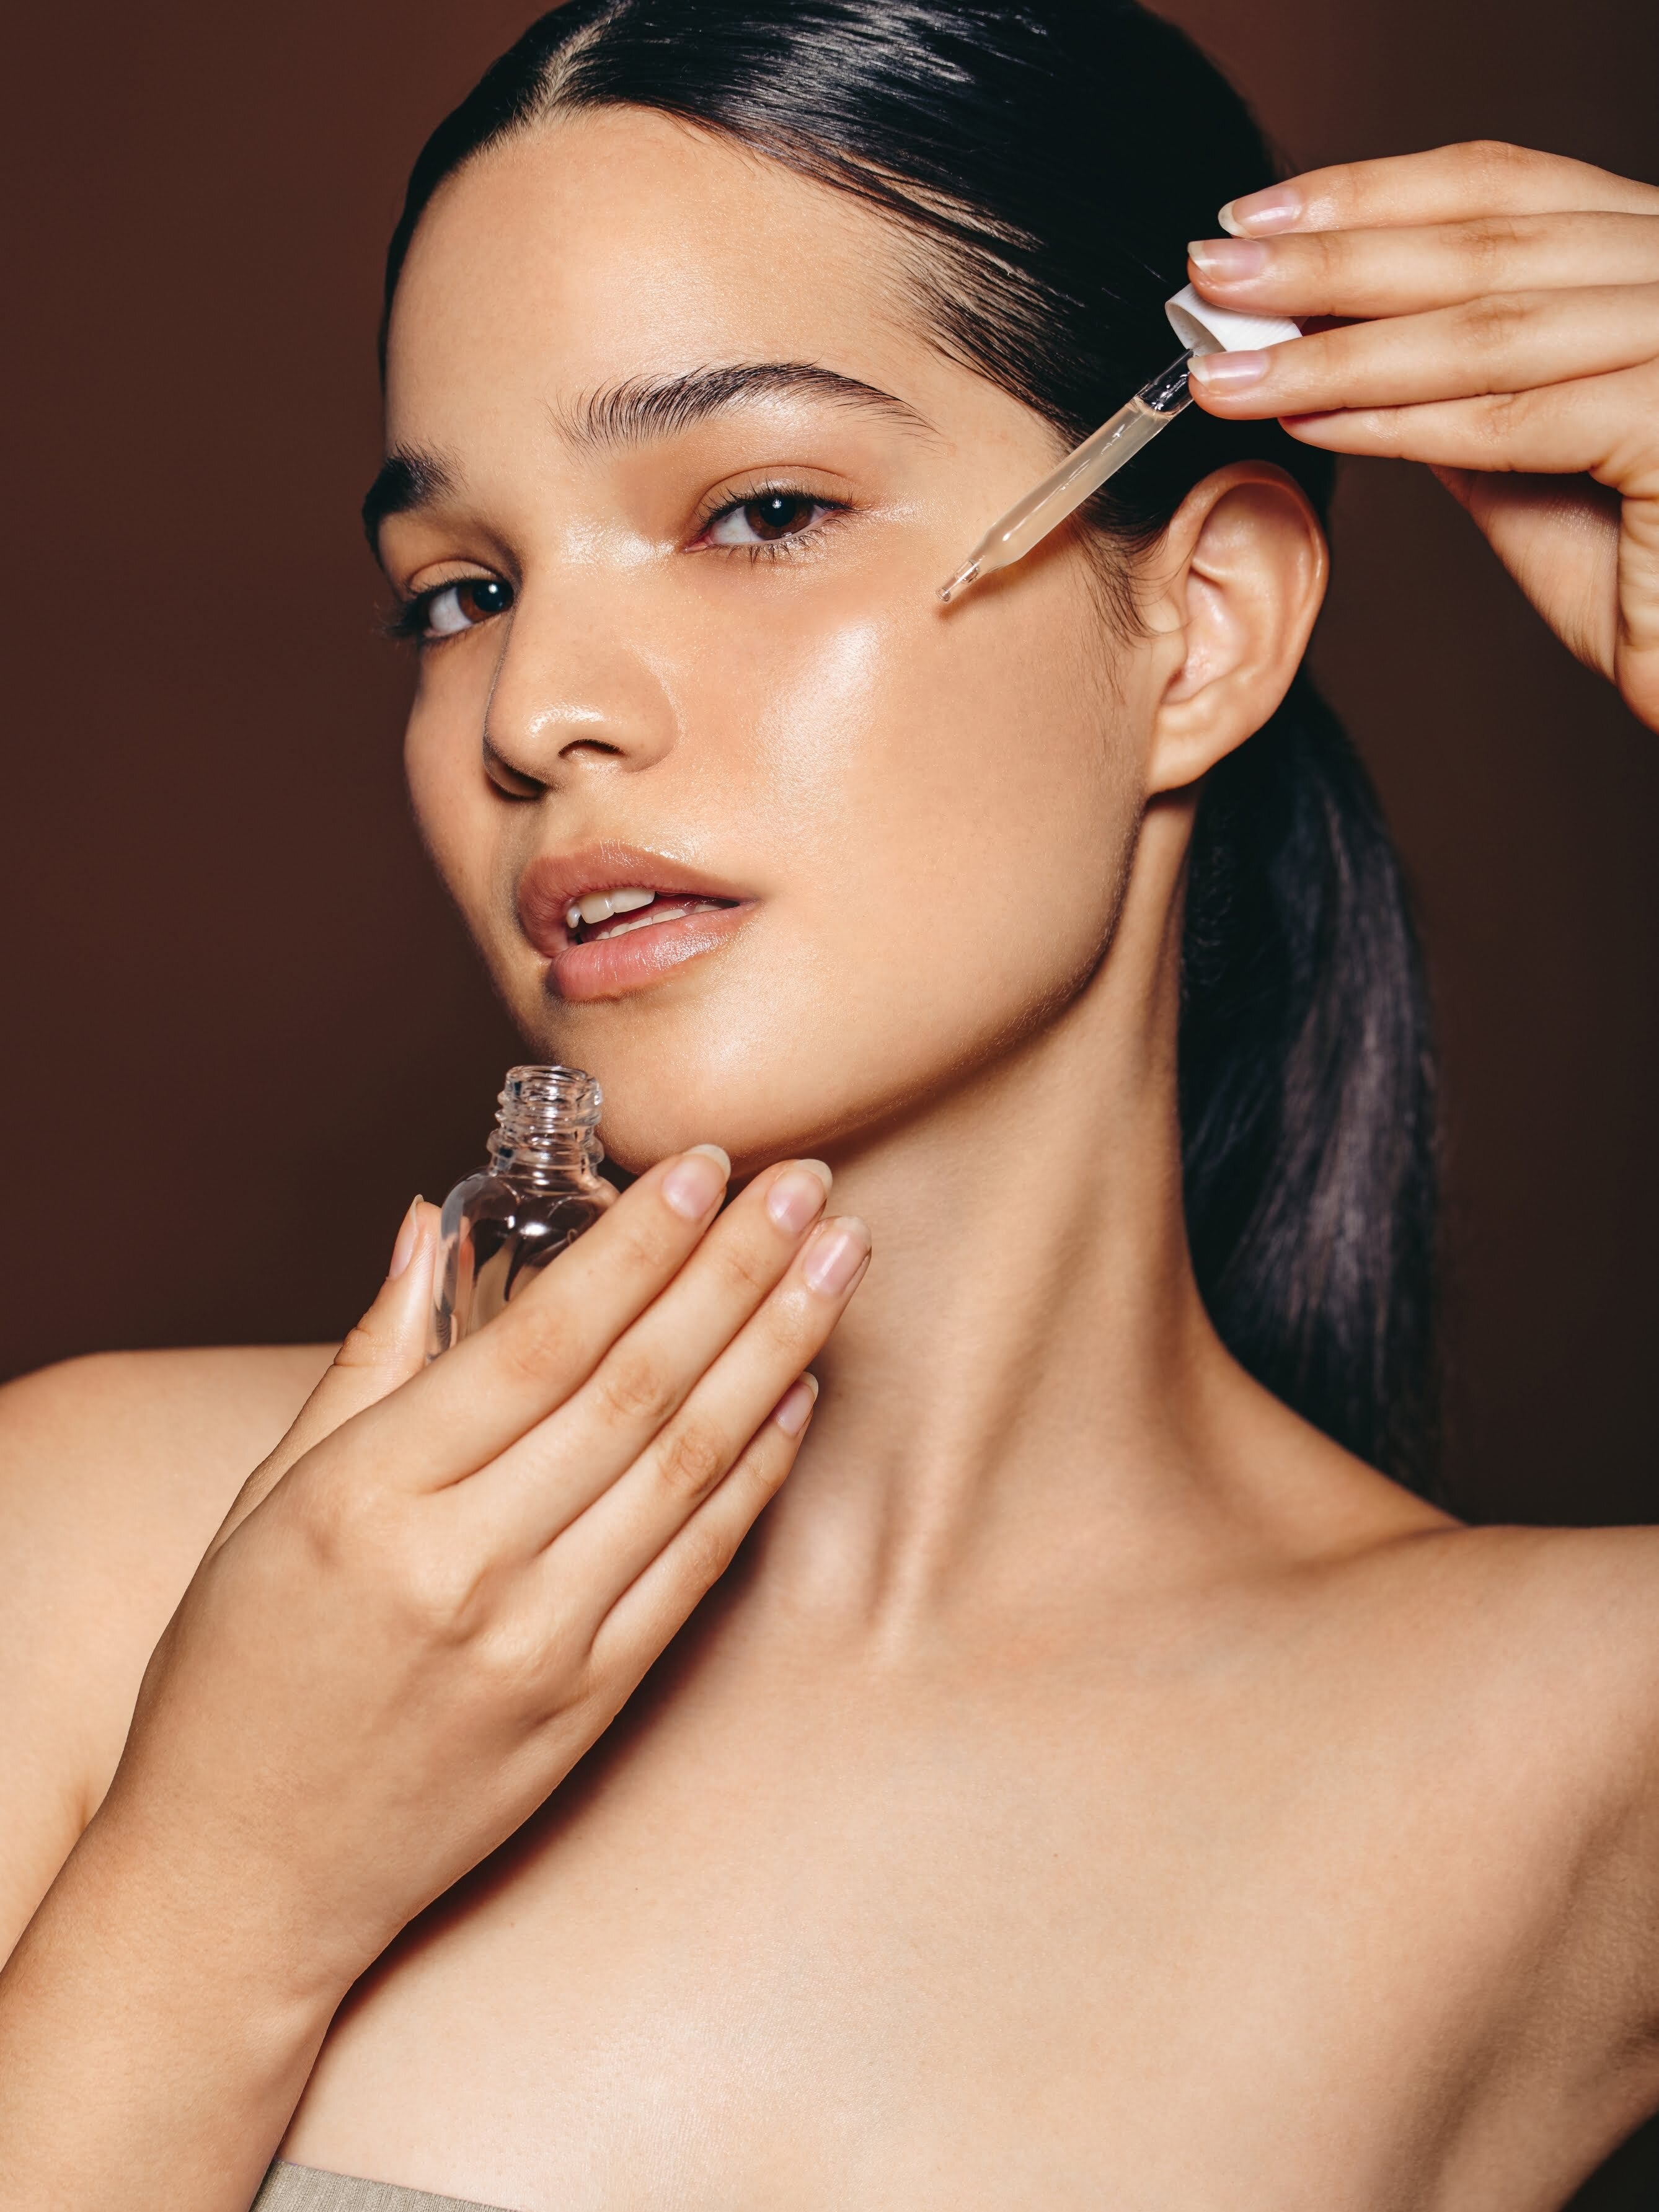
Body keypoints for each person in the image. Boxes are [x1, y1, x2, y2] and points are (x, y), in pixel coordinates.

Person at [2, 3, 1657, 2206]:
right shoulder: (101, 1563)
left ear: (1198, 628)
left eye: (758, 511)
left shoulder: (1576, 1740)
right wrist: (220, 1891)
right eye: (463, 591)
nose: (536, 709)